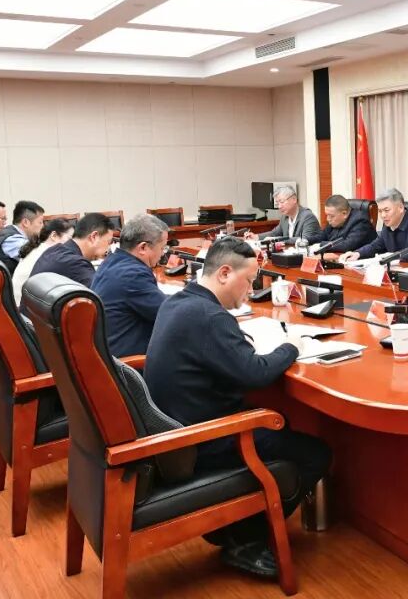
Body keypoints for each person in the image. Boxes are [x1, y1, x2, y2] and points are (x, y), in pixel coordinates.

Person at [144, 237, 331, 579]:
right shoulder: (209, 317)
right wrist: (291, 346)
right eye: (249, 281)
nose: (252, 290)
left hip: (177, 431)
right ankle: (246, 538)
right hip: (204, 440)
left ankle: (234, 527)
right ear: (225, 273)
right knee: (315, 454)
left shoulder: (179, 302)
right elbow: (255, 373)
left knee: (281, 424)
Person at [91, 213, 169, 357]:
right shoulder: (133, 275)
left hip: (111, 353)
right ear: (143, 247)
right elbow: (170, 313)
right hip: (130, 363)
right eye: (162, 247)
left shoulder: (111, 262)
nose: (163, 254)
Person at [338, 188, 408, 263]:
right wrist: (357, 253)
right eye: (380, 211)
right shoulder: (388, 224)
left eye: (386, 210)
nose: (383, 215)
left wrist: (389, 256)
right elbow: (376, 245)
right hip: (397, 272)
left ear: (400, 208)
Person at [29, 212, 113, 289]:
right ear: (94, 237)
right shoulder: (75, 263)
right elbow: (102, 294)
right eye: (109, 242)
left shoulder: (53, 250)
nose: (108, 248)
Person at [11, 217, 74, 306]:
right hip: (25, 308)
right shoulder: (50, 254)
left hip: (20, 305)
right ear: (54, 236)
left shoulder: (38, 249)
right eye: (70, 239)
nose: (73, 244)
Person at [309, 194, 376, 260]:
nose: (328, 219)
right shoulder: (335, 221)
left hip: (358, 261)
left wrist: (320, 245)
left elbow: (347, 245)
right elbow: (322, 236)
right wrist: (306, 241)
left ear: (344, 214)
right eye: (327, 215)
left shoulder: (360, 221)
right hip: (338, 259)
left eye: (331, 216)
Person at [246, 186, 320, 243]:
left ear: (294, 199)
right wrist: (256, 237)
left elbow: (305, 240)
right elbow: (274, 233)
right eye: (277, 204)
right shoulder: (285, 217)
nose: (279, 206)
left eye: (282, 202)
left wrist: (277, 240)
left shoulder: (307, 217)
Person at [0, 200, 44, 271]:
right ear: (26, 222)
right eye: (40, 222)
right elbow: (40, 259)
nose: (43, 226)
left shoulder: (10, 233)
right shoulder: (12, 240)